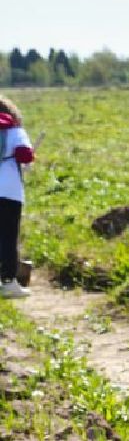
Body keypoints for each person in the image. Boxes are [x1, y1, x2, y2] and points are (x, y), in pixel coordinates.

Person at [0, 94, 35, 299]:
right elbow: (25, 155)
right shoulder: (15, 131)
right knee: (8, 236)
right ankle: (8, 283)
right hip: (9, 190)